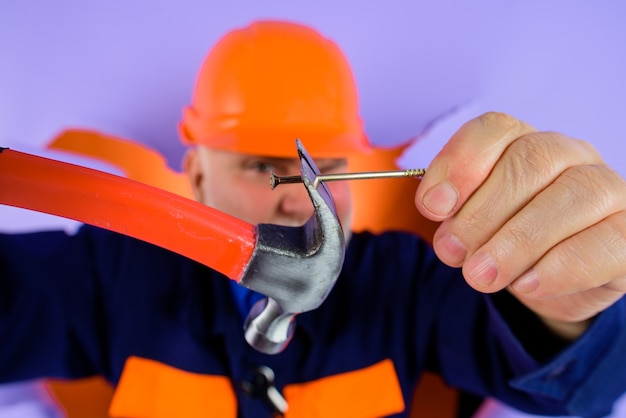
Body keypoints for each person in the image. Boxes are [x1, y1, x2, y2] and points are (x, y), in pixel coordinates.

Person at [1, 19, 626, 418]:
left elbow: (575, 391)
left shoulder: (407, 283)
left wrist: (565, 304)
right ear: (195, 175)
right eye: (262, 168)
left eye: (326, 169)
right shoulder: (109, 277)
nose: (302, 201)